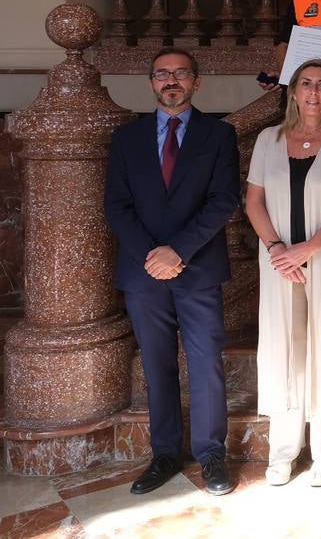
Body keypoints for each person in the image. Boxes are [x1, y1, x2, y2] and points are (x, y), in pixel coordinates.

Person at [105, 48, 240, 497]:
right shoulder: (127, 139)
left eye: (181, 73)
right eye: (162, 74)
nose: (171, 81)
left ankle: (211, 454)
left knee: (205, 364)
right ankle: (164, 453)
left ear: (196, 82)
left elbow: (223, 201)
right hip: (144, 273)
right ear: (151, 83)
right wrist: (153, 255)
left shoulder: (218, 135)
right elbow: (117, 207)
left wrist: (178, 251)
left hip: (197, 267)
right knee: (157, 364)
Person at [245, 60, 321, 487]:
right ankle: (282, 452)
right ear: (293, 91)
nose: (313, 92)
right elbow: (254, 202)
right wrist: (280, 249)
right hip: (278, 261)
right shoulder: (268, 139)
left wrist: (309, 249)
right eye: (305, 84)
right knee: (283, 347)